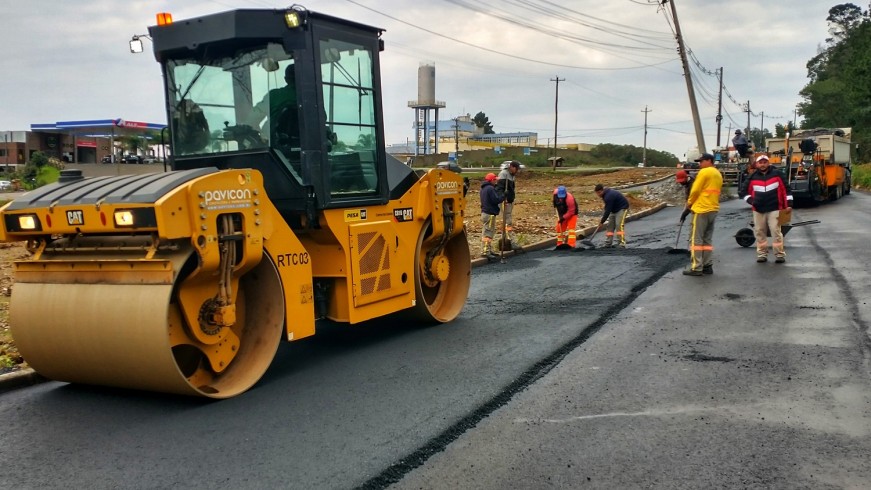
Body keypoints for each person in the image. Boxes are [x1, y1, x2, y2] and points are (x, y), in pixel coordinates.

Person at [740, 154, 793, 263]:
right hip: (758, 210)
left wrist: (789, 204)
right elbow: (743, 192)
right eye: (760, 162)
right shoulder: (752, 176)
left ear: (768, 163)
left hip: (774, 208)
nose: (763, 164)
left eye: (765, 162)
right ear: (757, 164)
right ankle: (762, 254)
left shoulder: (777, 174)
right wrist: (752, 201)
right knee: (759, 232)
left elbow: (787, 190)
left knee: (775, 231)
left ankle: (779, 255)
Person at [680, 152, 723, 276]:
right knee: (707, 239)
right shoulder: (718, 174)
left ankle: (696, 267)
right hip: (713, 208)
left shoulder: (704, 172)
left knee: (696, 239)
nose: (699, 164)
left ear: (709, 160)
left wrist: (688, 205)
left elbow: (695, 190)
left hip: (701, 209)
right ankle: (707, 265)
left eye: (701, 161)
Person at [248, 63, 300, 147]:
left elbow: (253, 119)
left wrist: (260, 136)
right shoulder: (312, 97)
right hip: (309, 148)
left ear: (286, 79)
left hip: (275, 149)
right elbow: (322, 118)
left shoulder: (274, 95)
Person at [496, 161, 523, 251]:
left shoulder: (512, 176)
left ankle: (506, 240)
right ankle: (511, 241)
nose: (517, 171)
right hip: (505, 202)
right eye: (516, 168)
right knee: (508, 221)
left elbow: (511, 189)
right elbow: (499, 189)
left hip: (509, 201)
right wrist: (503, 197)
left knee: (507, 221)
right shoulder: (504, 174)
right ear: (511, 167)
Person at [594, 183, 629, 248]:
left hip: (622, 208)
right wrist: (602, 221)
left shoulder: (609, 196)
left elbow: (608, 210)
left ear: (602, 190)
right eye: (597, 193)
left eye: (599, 193)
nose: (598, 195)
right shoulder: (604, 195)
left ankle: (622, 243)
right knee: (610, 226)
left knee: (619, 225)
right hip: (614, 209)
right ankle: (608, 243)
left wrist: (602, 222)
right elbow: (607, 208)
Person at [479, 173, 501, 259]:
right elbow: (495, 200)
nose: (496, 181)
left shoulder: (483, 189)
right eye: (495, 180)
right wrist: (503, 196)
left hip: (485, 213)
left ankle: (488, 249)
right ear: (492, 180)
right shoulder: (490, 189)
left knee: (488, 231)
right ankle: (485, 251)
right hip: (490, 214)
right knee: (488, 233)